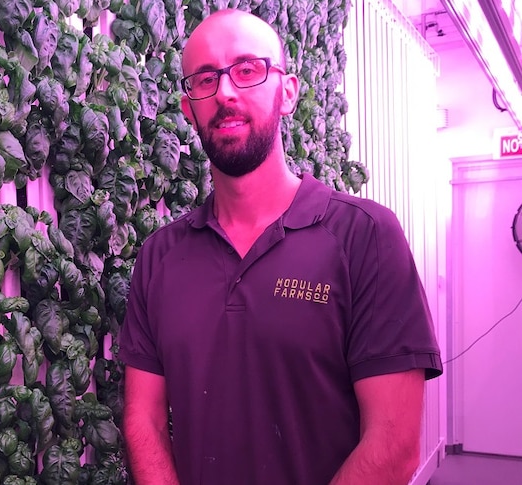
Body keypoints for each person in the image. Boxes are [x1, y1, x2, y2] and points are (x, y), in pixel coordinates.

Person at [117, 9, 443, 485]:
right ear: (190, 110)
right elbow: (142, 420)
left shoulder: (366, 237)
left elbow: (393, 446)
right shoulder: (159, 258)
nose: (225, 92)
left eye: (248, 70)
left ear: (287, 92)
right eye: (205, 79)